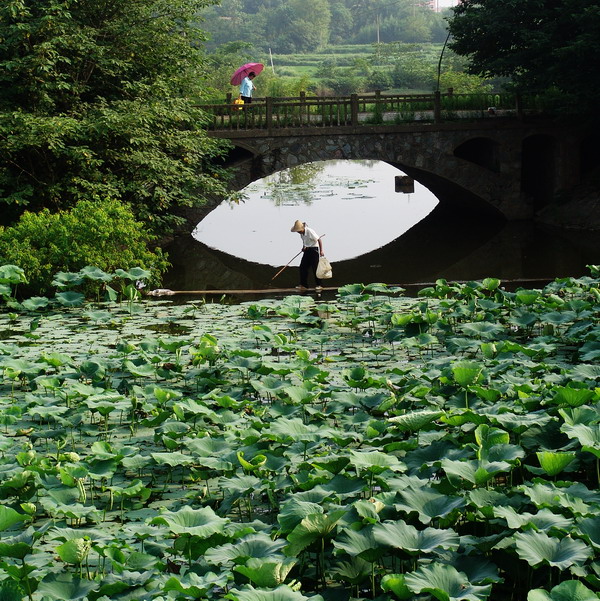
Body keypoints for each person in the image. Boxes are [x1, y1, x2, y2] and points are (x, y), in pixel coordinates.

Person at [291, 220, 324, 290]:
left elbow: (319, 240)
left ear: (302, 228)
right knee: (303, 267)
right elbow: (305, 242)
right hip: (307, 250)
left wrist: (321, 251)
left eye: (298, 230)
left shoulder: (309, 231)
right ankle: (304, 285)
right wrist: (303, 247)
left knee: (315, 268)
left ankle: (319, 285)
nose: (298, 232)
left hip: (314, 250)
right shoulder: (301, 234)